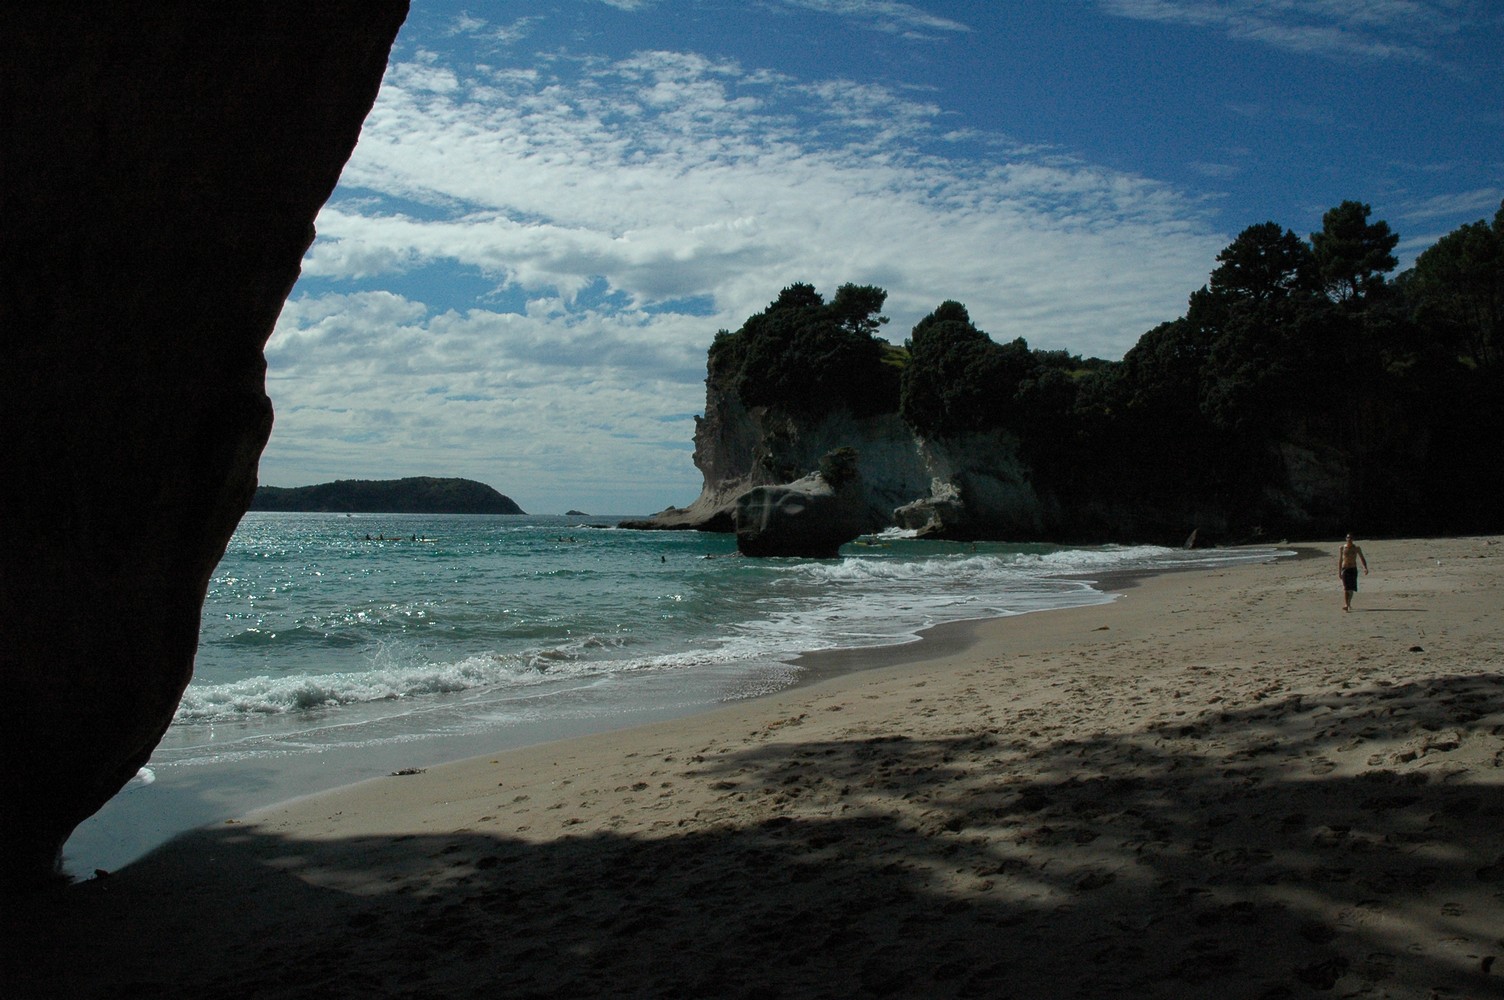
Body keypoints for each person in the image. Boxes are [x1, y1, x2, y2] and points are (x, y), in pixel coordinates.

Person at [1338, 533, 1369, 611]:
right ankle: (1346, 604)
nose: (1349, 539)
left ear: (1353, 539)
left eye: (1351, 538)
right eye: (1348, 538)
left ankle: (1348, 603)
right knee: (1346, 588)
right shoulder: (1342, 548)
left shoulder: (1356, 548)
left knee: (1351, 589)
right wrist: (1339, 572)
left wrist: (1365, 568)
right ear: (1346, 539)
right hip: (1345, 569)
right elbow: (1340, 560)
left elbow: (1362, 558)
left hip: (1353, 569)